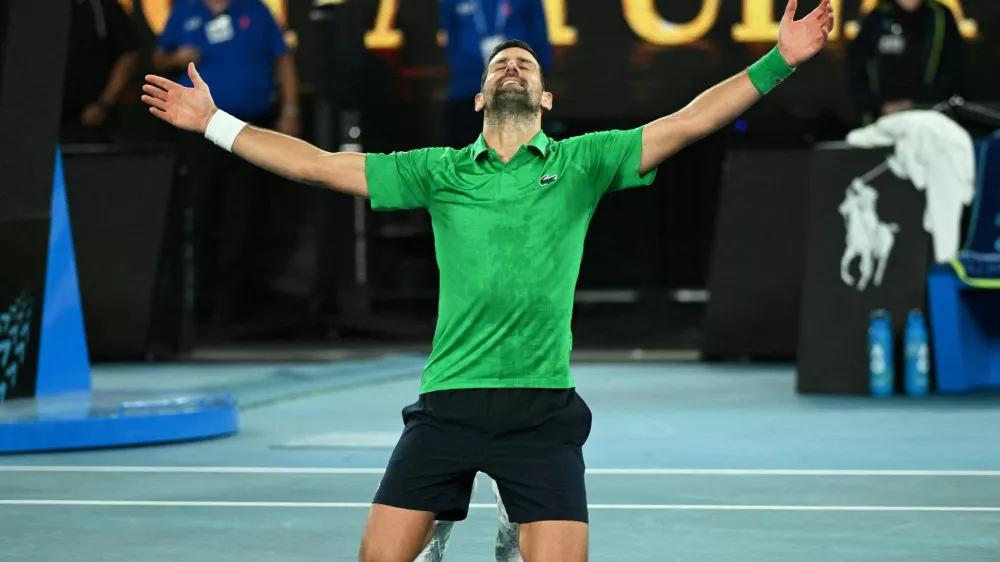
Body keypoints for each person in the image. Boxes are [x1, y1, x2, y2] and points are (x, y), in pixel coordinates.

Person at [140, 0, 833, 558]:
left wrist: (780, 62)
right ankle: (446, 518)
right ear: (478, 98)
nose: (511, 66)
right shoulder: (438, 170)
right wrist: (215, 125)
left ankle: (510, 519)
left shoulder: (584, 162)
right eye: (500, 64)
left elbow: (687, 122)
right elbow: (318, 164)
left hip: (542, 414)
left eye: (524, 62)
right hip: (448, 405)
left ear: (545, 94)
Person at [152, 0, 302, 338]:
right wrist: (178, 58)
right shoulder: (186, 11)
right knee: (198, 213)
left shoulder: (256, 11)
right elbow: (158, 58)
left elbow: (283, 59)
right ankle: (195, 308)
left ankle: (231, 308)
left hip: (247, 127)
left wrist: (290, 108)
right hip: (198, 133)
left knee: (244, 215)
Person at [439, 0, 551, 149]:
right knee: (464, 154)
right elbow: (451, 38)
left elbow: (539, 38)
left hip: (517, 92)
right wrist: (463, 67)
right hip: (466, 90)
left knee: (521, 155)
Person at [846, 0, 965, 125]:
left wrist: (917, 104)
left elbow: (954, 72)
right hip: (882, 123)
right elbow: (855, 72)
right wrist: (880, 106)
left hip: (930, 121)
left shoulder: (940, 17)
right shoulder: (876, 18)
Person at [60, 0, 140, 143]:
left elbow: (129, 55)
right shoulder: (40, 11)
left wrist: (104, 104)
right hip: (48, 120)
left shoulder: (104, 6)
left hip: (94, 120)